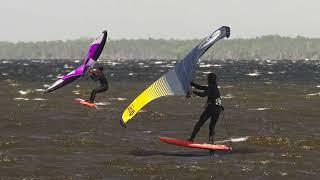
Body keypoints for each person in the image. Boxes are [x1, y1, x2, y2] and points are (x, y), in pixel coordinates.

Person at [188, 73, 224, 143]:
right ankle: (211, 142)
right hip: (218, 110)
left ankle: (191, 139)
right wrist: (193, 84)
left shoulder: (210, 88)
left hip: (211, 109)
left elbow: (203, 94)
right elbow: (202, 87)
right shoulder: (215, 87)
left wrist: (194, 92)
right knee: (212, 127)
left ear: (209, 79)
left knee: (199, 123)